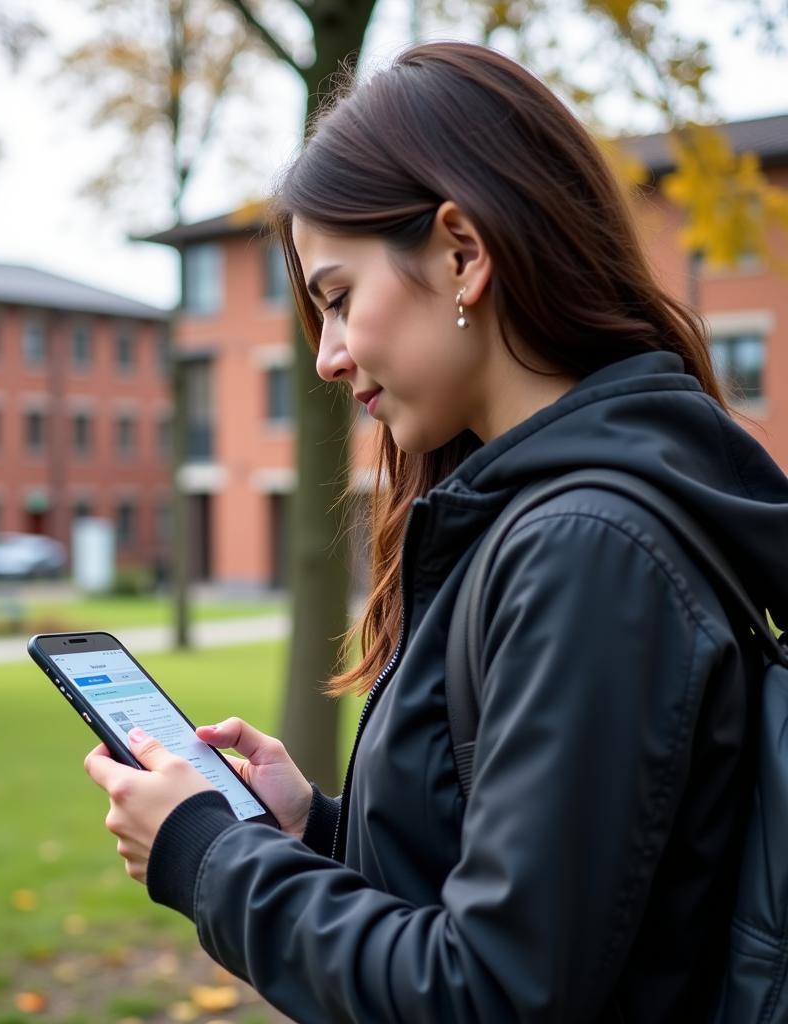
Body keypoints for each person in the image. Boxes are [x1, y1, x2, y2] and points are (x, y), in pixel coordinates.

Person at [82, 41, 788, 1022]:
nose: (326, 357)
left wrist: (211, 857)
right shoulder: (532, 519)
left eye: (335, 298)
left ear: (462, 254)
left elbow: (492, 991)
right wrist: (314, 832)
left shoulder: (589, 552)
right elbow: (516, 895)